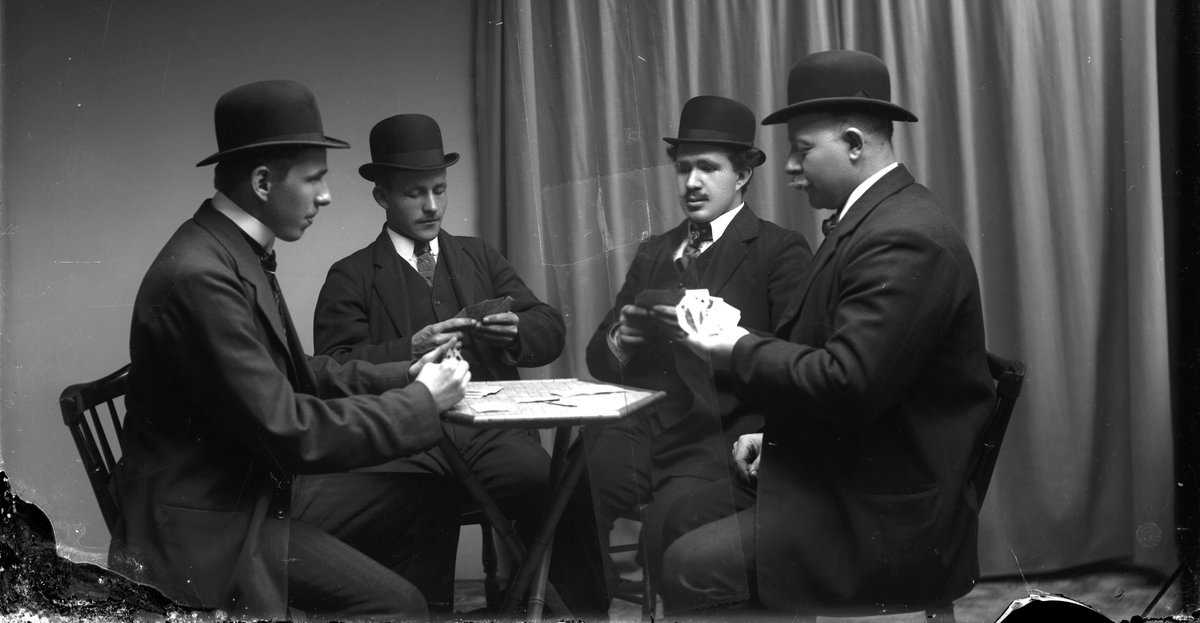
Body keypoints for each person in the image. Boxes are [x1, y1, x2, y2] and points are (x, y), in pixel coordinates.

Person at [109, 80, 471, 622]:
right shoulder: (202, 277)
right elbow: (290, 431)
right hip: (213, 523)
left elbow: (296, 375)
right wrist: (421, 401)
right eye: (315, 178)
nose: (326, 196)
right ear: (262, 182)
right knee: (399, 605)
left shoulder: (230, 250)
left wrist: (403, 373)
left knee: (433, 501)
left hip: (245, 490)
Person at [661, 51, 996, 616]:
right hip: (853, 478)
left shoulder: (904, 236)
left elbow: (849, 381)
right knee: (681, 515)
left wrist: (733, 344)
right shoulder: (875, 220)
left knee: (688, 564)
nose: (789, 167)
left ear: (854, 144)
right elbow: (842, 363)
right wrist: (774, 435)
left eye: (802, 149)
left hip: (882, 516)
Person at [312, 113, 609, 616]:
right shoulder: (351, 275)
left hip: (491, 434)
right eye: (414, 193)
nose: (432, 206)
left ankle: (573, 614)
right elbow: (333, 368)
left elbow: (548, 327)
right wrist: (409, 348)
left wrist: (516, 332)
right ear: (381, 196)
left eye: (440, 189)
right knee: (407, 520)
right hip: (405, 442)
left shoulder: (479, 257)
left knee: (556, 488)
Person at [583, 95, 811, 600]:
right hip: (642, 429)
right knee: (571, 490)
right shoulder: (655, 251)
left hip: (718, 433)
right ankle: (583, 606)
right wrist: (623, 338)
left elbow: (796, 359)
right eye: (684, 168)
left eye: (707, 168)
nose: (691, 182)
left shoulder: (779, 250)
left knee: (670, 525)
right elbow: (599, 355)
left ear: (743, 174)